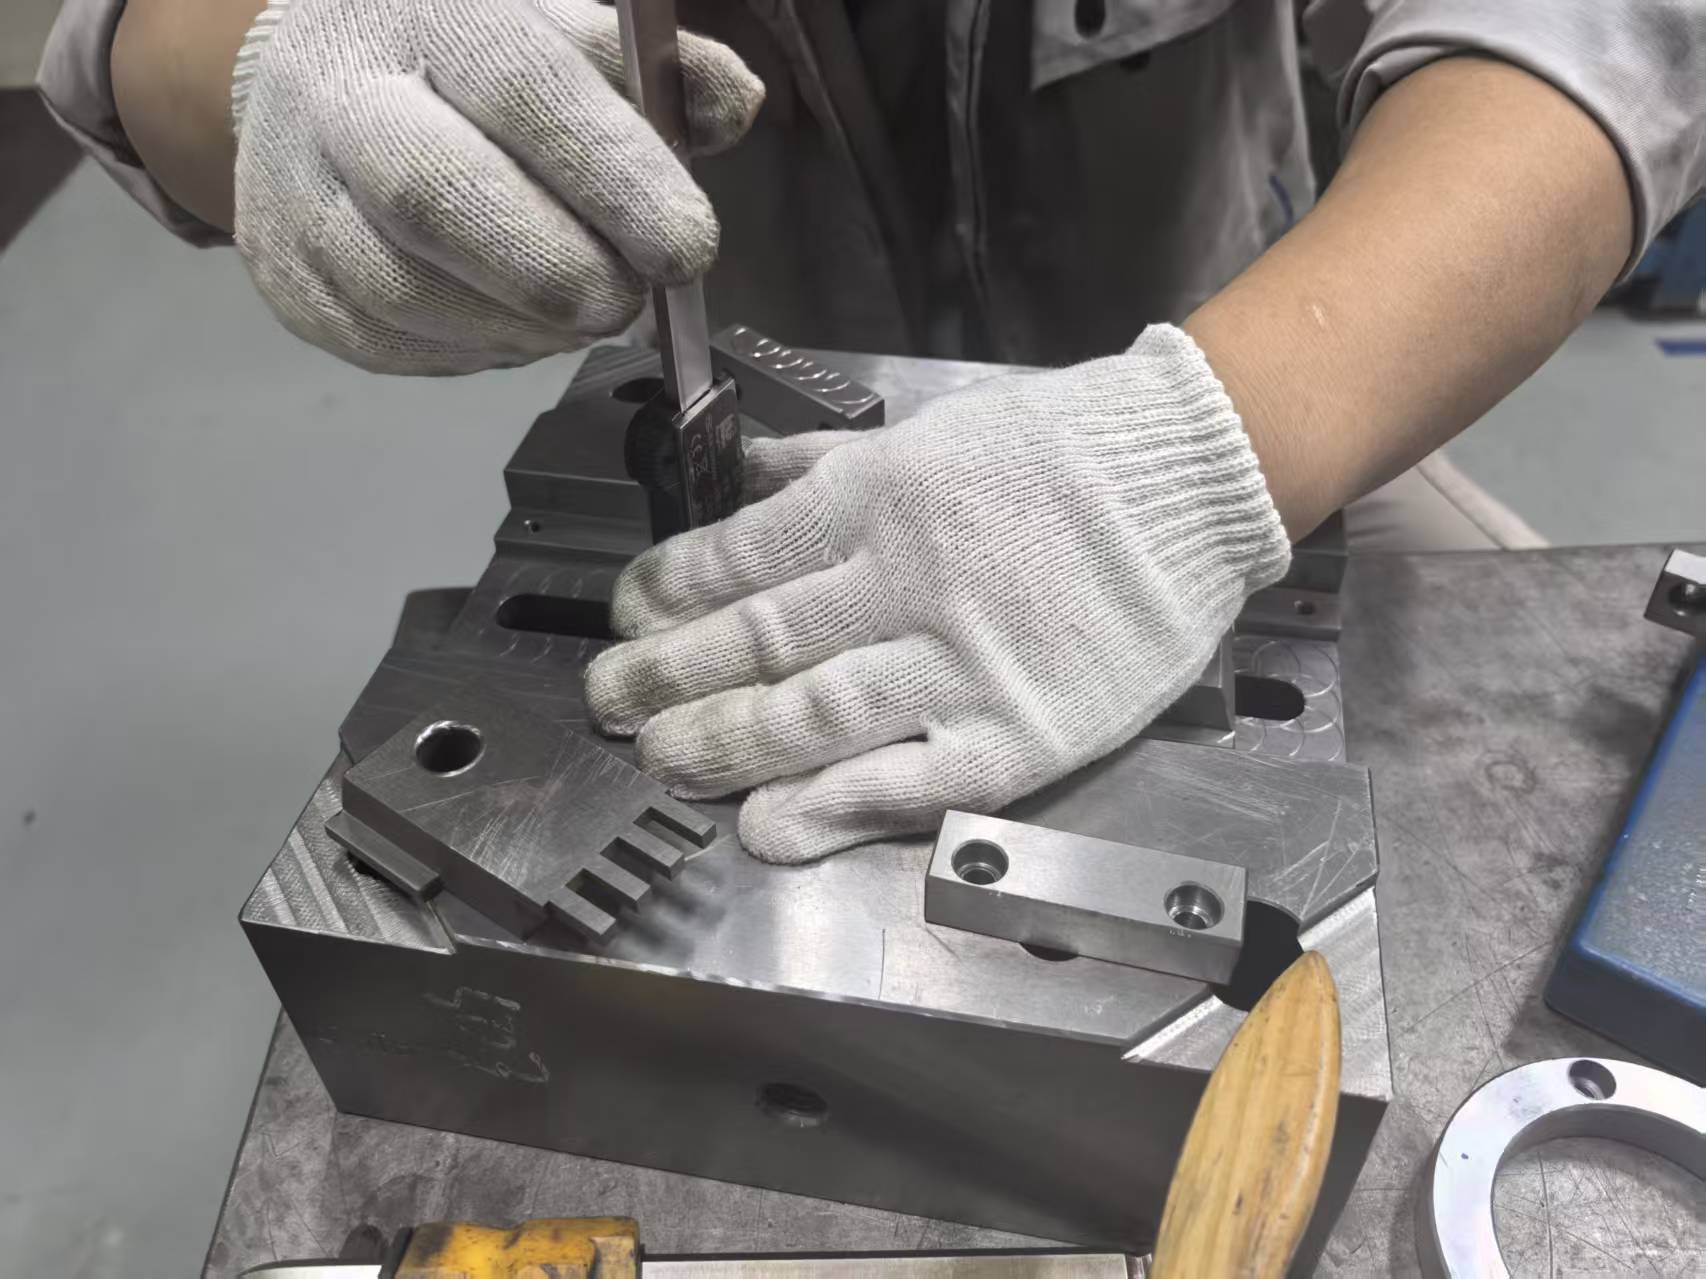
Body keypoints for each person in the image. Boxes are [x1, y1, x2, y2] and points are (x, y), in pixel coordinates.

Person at [39, 0, 1706, 863]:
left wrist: (1193, 460)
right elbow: (135, 41)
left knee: (1552, 779)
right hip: (771, 443)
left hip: (1248, 376)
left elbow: (1592, 39)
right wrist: (282, 61)